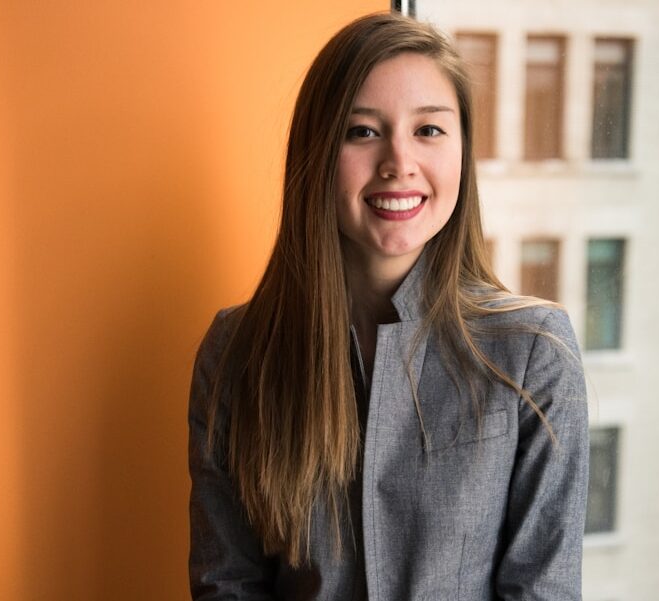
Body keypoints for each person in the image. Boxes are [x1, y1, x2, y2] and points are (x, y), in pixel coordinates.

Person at [188, 11, 588, 601]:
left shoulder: (536, 352)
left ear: (461, 151)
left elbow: (542, 589)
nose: (399, 162)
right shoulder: (237, 353)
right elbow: (228, 584)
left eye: (428, 130)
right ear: (318, 153)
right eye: (363, 131)